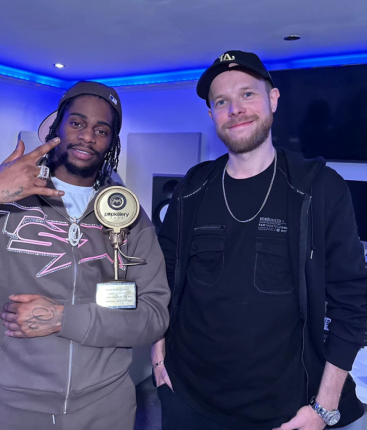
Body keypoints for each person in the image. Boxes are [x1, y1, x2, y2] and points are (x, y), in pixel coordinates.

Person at [152, 50, 367, 430]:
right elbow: (162, 280)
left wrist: (325, 406)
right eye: (222, 101)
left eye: (247, 94)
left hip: (284, 412)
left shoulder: (318, 188)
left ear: (273, 99)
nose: (235, 109)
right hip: (186, 400)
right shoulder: (192, 187)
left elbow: (352, 301)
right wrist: (157, 358)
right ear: (212, 115)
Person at [0, 81, 170, 430]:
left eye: (101, 130)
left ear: (112, 143)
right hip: (13, 409)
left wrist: (64, 319)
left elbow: (154, 316)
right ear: (57, 126)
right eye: (76, 123)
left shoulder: (128, 214)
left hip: (107, 407)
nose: (87, 137)